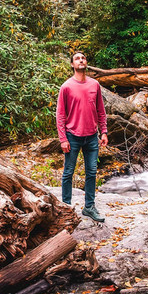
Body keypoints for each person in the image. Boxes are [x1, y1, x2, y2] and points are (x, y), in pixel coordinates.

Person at [56, 51, 108, 222]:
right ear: (72, 64)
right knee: (68, 173)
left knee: (92, 172)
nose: (81, 60)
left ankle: (89, 207)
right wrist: (63, 139)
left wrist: (104, 132)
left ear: (86, 62)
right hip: (72, 136)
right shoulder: (66, 87)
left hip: (92, 137)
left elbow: (101, 111)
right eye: (77, 59)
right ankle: (66, 208)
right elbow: (60, 115)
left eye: (83, 58)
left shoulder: (95, 85)